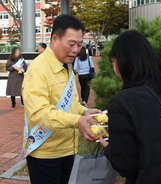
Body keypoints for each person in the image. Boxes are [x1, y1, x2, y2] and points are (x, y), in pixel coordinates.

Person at [99, 30, 161, 184]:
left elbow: (126, 166)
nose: (114, 68)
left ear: (123, 62)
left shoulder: (122, 102)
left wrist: (108, 148)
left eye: (113, 62)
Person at [22, 15, 101, 184]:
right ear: (55, 38)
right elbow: (40, 113)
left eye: (80, 45)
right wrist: (77, 120)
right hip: (45, 152)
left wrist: (85, 111)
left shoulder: (67, 65)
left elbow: (69, 103)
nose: (76, 50)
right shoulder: (38, 69)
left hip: (66, 149)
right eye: (71, 44)